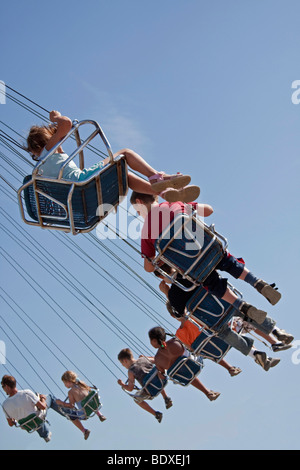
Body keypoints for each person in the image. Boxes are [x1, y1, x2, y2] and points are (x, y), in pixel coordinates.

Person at [130, 192, 281, 326]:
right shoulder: (175, 203)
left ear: (140, 202)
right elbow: (209, 210)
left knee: (210, 282)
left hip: (193, 267)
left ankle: (241, 305)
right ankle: (257, 282)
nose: (139, 214)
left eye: (137, 211)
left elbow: (148, 268)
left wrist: (159, 257)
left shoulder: (146, 232)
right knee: (228, 261)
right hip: (209, 249)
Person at [25, 110, 200, 203]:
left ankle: (162, 192)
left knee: (123, 174)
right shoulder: (48, 150)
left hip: (81, 196)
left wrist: (56, 134)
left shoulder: (42, 168)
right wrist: (55, 118)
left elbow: (60, 146)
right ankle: (156, 178)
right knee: (125, 153)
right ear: (44, 141)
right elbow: (66, 124)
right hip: (84, 182)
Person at [148, 327, 221, 401]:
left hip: (183, 376)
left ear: (154, 340)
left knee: (184, 371)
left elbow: (162, 376)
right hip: (195, 364)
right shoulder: (175, 341)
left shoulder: (157, 359)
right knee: (200, 352)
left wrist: (161, 374)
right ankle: (228, 367)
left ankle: (207, 392)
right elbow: (189, 347)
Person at [168, 305, 242, 377]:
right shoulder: (194, 317)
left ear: (172, 316)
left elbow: (192, 349)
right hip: (224, 339)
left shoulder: (178, 335)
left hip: (214, 351)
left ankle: (229, 367)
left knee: (205, 349)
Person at [117, 348, 173, 423]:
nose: (123, 366)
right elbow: (156, 360)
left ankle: (156, 414)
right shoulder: (143, 359)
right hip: (161, 381)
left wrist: (122, 384)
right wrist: (145, 357)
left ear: (125, 361)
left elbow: (130, 388)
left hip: (150, 390)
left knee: (136, 400)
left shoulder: (131, 371)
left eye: (122, 364)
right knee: (155, 375)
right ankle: (166, 398)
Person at [54, 370, 106, 441]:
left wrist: (61, 403)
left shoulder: (71, 392)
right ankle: (100, 415)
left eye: (64, 383)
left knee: (71, 416)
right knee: (89, 400)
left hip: (84, 413)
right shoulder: (82, 385)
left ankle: (84, 431)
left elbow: (71, 405)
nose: (64, 385)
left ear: (68, 382)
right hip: (94, 405)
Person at [1, 375, 52, 442]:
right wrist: (42, 398)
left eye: (2, 386)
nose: (2, 388)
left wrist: (14, 419)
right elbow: (43, 407)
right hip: (37, 418)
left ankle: (45, 435)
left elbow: (10, 424)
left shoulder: (4, 405)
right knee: (50, 397)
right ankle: (69, 413)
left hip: (27, 425)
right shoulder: (26, 393)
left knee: (31, 418)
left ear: (7, 386)